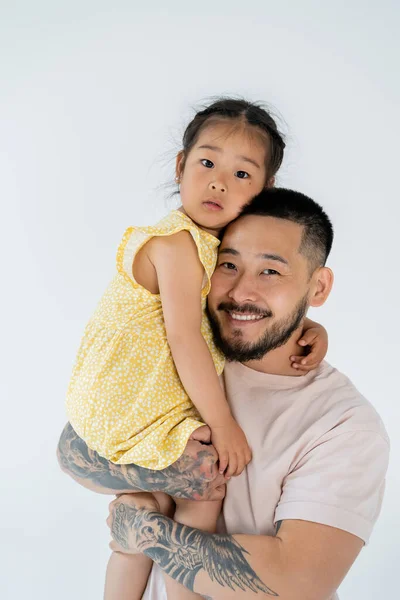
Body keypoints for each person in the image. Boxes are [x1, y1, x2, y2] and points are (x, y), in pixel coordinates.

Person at [60, 99, 328, 600]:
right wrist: (225, 425)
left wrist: (312, 326)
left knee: (149, 507)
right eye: (207, 163)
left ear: (265, 189)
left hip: (143, 398)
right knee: (208, 482)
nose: (219, 183)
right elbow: (186, 338)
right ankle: (184, 588)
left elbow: (246, 309)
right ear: (181, 166)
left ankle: (139, 530)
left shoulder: (215, 246)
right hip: (121, 403)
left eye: (241, 173)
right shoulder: (178, 245)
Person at [102, 188, 390, 600]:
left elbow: (296, 579)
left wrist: (147, 531)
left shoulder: (345, 426)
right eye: (229, 264)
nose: (240, 292)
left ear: (319, 287)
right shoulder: (180, 361)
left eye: (270, 272)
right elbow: (75, 447)